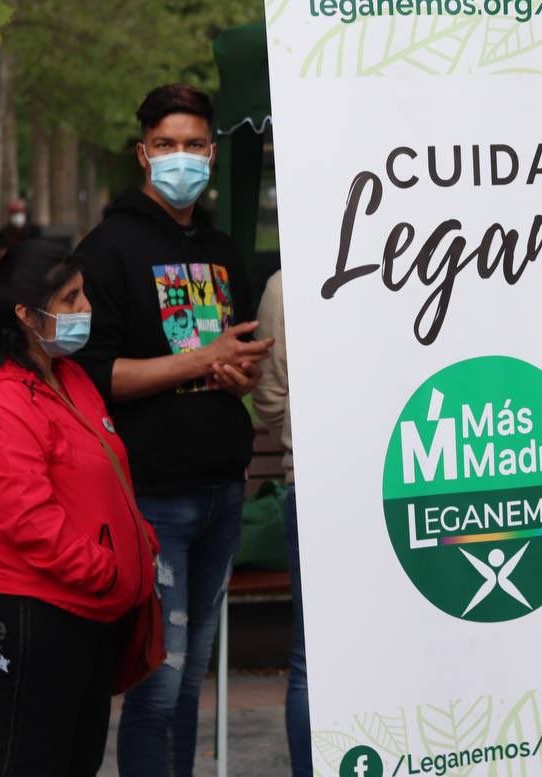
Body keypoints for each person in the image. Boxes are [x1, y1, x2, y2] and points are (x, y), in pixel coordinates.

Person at [72, 84, 273, 777]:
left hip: (221, 491)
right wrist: (201, 357)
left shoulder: (220, 249)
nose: (180, 158)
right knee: (156, 686)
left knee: (189, 686)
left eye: (193, 145)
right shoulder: (107, 249)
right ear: (142, 153)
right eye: (166, 145)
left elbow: (233, 353)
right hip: (150, 497)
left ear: (212, 153)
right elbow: (94, 377)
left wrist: (238, 376)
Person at [0, 239, 157, 777]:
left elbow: (103, 471)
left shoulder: (66, 375)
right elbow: (28, 518)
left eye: (84, 295)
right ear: (26, 315)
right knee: (35, 761)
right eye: (71, 300)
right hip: (40, 611)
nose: (86, 310)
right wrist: (106, 570)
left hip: (91, 608)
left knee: (77, 760)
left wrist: (138, 541)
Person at [250, 269, 311, 776]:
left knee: (311, 660)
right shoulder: (286, 284)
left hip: (311, 483)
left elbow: (271, 395)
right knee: (313, 659)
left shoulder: (285, 283)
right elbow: (268, 394)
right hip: (319, 492)